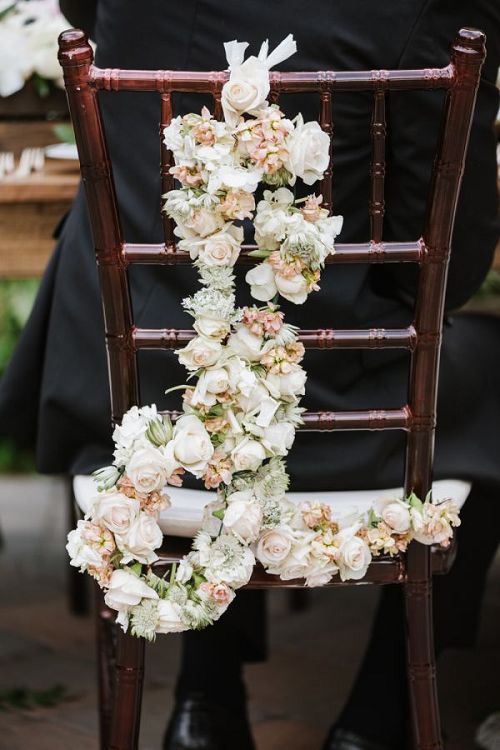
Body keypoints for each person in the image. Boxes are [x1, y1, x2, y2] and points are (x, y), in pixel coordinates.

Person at [1, 2, 499, 749]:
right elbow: (446, 269)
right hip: (330, 413)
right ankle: (374, 720)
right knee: (486, 370)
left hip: (130, 391)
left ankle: (204, 702)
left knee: (219, 344)